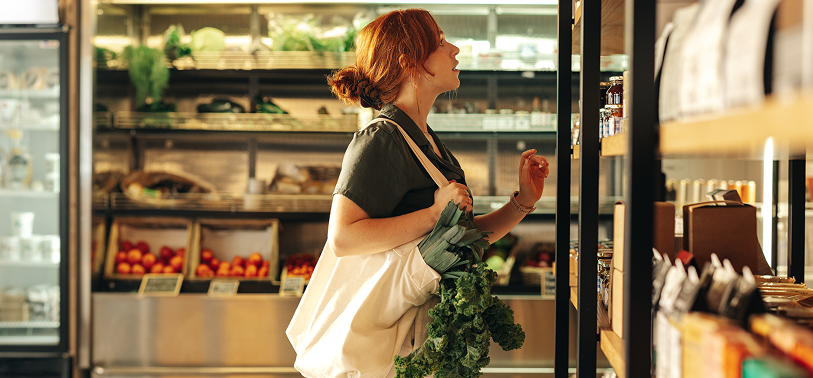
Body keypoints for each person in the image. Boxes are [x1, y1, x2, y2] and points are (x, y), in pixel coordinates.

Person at [326, 8, 549, 259]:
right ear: (408, 63)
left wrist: (523, 202)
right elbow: (342, 239)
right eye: (440, 42)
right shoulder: (383, 138)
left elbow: (464, 237)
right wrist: (434, 213)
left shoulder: (424, 139)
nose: (454, 49)